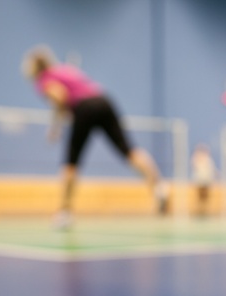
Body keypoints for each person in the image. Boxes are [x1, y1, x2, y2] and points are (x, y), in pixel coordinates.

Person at [22, 45, 169, 229]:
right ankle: (159, 187)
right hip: (103, 100)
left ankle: (64, 212)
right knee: (128, 151)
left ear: (35, 66)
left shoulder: (44, 79)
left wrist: (55, 126)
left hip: (83, 108)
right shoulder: (65, 70)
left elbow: (59, 96)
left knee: (70, 163)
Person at [191, 143, 217, 217]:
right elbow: (195, 166)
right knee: (199, 198)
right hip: (199, 181)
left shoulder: (209, 160)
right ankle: (199, 212)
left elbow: (212, 169)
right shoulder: (196, 158)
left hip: (207, 181)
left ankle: (205, 212)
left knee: (206, 198)